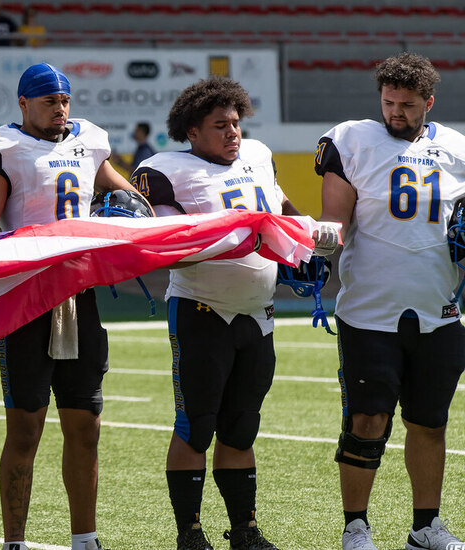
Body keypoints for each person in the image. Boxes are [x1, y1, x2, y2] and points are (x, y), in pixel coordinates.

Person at [130, 77, 336, 550]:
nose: (232, 133)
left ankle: (244, 530)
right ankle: (190, 533)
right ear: (192, 131)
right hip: (202, 310)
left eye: (236, 123)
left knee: (242, 428)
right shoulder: (166, 170)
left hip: (258, 313)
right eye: (219, 125)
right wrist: (239, 238)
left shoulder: (258, 156)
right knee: (196, 426)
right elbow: (168, 247)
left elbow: (281, 209)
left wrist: (306, 244)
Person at [0, 63, 136, 550]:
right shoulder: (1, 147)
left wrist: (126, 210)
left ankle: (86, 539)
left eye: (64, 100)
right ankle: (14, 541)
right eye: (48, 101)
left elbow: (126, 197)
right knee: (25, 429)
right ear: (23, 104)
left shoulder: (89, 140)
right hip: (28, 299)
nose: (60, 109)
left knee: (86, 425)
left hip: (80, 295)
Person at [316, 52, 465, 550]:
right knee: (366, 421)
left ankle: (426, 527)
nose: (395, 113)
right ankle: (355, 528)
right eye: (388, 102)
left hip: (439, 309)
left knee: (430, 422)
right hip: (370, 310)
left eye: (407, 105)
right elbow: (335, 222)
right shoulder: (351, 139)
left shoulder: (457, 148)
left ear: (429, 102)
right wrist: (316, 249)